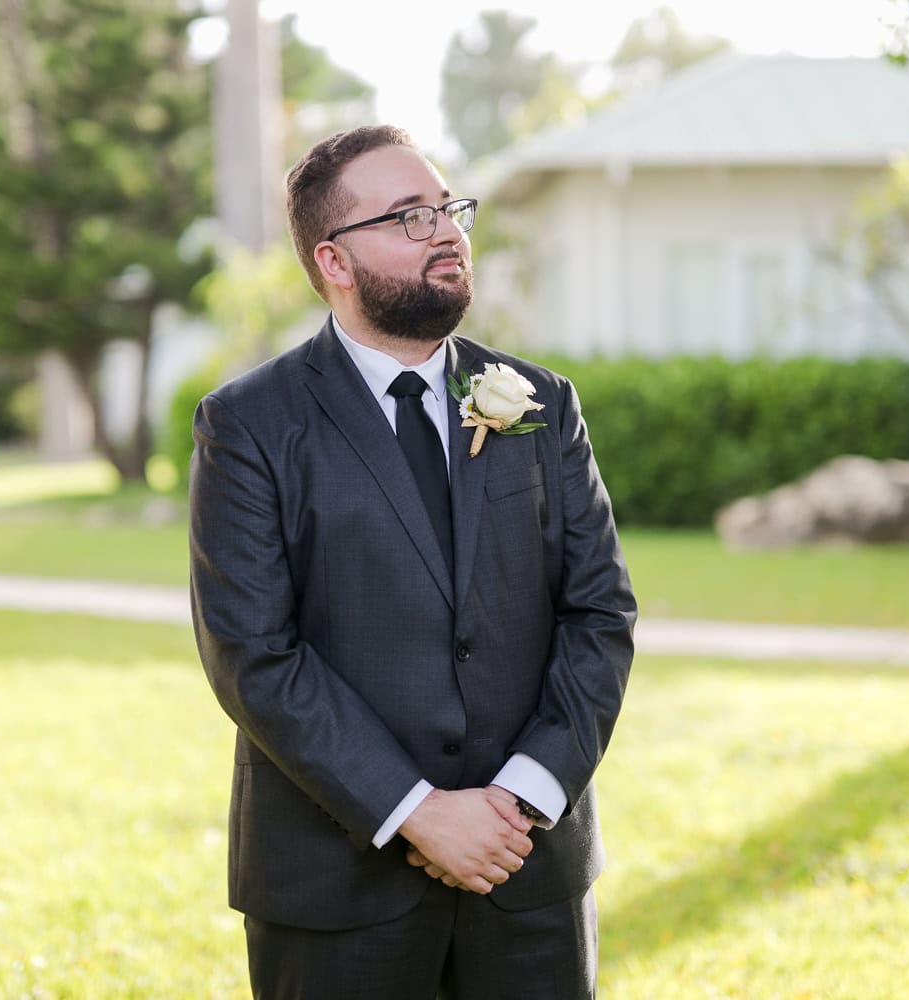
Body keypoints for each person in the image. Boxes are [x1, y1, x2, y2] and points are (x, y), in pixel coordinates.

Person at [189, 124, 636, 1000]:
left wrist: (523, 796)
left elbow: (599, 615)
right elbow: (254, 654)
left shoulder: (540, 404)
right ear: (335, 261)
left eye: (447, 207)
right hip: (336, 890)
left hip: (528, 872)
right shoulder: (248, 425)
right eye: (407, 216)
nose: (445, 231)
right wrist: (419, 813)